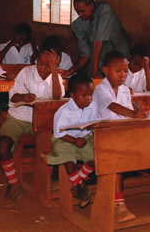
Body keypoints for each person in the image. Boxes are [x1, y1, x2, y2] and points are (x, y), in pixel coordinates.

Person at [93, 50, 150, 222]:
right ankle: (118, 204)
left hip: (125, 132)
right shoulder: (100, 89)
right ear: (105, 70)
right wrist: (133, 115)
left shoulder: (125, 90)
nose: (123, 75)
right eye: (118, 71)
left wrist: (138, 114)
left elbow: (129, 111)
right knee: (117, 157)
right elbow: (112, 106)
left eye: (125, 71)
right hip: (105, 135)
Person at [0, 43, 65, 208]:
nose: (42, 68)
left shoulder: (55, 78)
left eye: (48, 65)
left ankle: (48, 183)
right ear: (35, 61)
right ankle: (14, 184)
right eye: (40, 63)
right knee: (3, 147)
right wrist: (24, 97)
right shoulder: (26, 73)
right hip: (19, 118)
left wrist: (54, 71)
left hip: (43, 122)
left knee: (54, 147)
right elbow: (13, 98)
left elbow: (57, 96)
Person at [42, 74, 98, 208]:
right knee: (69, 158)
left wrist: (93, 127)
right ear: (72, 95)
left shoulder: (92, 106)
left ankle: (78, 178)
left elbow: (95, 123)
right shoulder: (64, 111)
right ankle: (79, 187)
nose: (89, 99)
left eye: (91, 94)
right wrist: (74, 140)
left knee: (96, 158)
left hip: (83, 138)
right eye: (84, 96)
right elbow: (59, 133)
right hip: (64, 139)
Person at [60, 0, 130, 79]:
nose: (80, 15)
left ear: (92, 5)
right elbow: (85, 55)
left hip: (117, 60)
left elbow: (98, 42)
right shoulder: (78, 26)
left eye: (82, 11)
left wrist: (94, 72)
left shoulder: (104, 11)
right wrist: (70, 71)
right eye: (77, 12)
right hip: (98, 64)